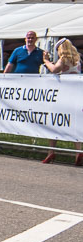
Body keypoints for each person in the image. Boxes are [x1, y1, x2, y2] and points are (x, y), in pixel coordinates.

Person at [40, 38, 82, 166]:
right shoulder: (77, 59)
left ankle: (51, 151)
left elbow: (54, 69)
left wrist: (46, 60)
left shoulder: (63, 59)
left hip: (63, 94)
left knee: (55, 121)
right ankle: (78, 152)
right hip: (76, 95)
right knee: (75, 124)